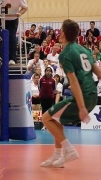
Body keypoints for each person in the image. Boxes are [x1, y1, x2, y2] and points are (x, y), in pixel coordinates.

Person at [41, 19, 101, 168]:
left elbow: (73, 82)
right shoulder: (83, 49)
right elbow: (99, 73)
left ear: (62, 33)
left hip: (83, 96)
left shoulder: (65, 54)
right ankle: (56, 155)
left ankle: (69, 150)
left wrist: (81, 107)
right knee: (56, 119)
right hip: (93, 95)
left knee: (46, 118)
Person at [0, 0, 28, 65]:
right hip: (1, 18)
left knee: (12, 38)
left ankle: (12, 59)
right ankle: (0, 58)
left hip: (13, 20)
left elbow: (25, 7)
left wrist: (19, 13)